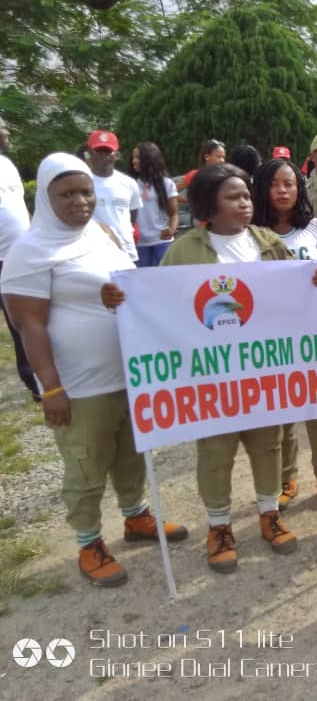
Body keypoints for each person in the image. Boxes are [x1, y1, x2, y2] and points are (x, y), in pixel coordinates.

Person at [1, 153, 188, 587]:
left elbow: (128, 289)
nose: (80, 201)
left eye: (86, 192)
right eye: (66, 194)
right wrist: (51, 388)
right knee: (86, 465)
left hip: (129, 371)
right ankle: (89, 543)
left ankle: (136, 516)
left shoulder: (102, 235)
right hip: (80, 383)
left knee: (131, 452)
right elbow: (28, 326)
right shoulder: (30, 251)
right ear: (45, 197)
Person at [156, 162, 317, 573]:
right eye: (233, 197)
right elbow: (159, 302)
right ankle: (219, 527)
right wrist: (124, 301)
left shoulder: (268, 241)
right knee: (216, 451)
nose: (245, 203)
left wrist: (314, 281)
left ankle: (269, 514)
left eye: (247, 195)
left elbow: (293, 292)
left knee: (268, 445)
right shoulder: (184, 251)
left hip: (261, 374)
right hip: (212, 377)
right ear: (208, 205)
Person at [250, 158, 317, 514]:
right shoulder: (251, 235)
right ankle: (286, 478)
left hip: (311, 336)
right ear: (262, 189)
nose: (282, 190)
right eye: (274, 184)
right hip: (270, 339)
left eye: (289, 184)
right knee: (279, 412)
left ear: (299, 188)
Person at [0, 114, 36, 400]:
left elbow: (20, 206)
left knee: (29, 318)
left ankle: (38, 379)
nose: (7, 132)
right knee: (17, 322)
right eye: (2, 128)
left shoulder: (7, 165)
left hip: (23, 254)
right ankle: (33, 379)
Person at [86, 130, 141, 263]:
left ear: (116, 154)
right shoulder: (82, 182)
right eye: (99, 150)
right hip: (93, 254)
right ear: (90, 152)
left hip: (126, 253)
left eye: (108, 151)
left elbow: (132, 218)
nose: (104, 155)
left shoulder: (129, 183)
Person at [129, 142, 179, 267]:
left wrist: (171, 229)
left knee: (165, 277)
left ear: (150, 159)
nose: (134, 161)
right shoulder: (130, 184)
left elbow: (174, 213)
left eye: (138, 157)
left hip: (162, 242)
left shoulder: (166, 184)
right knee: (142, 278)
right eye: (133, 157)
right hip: (139, 243)